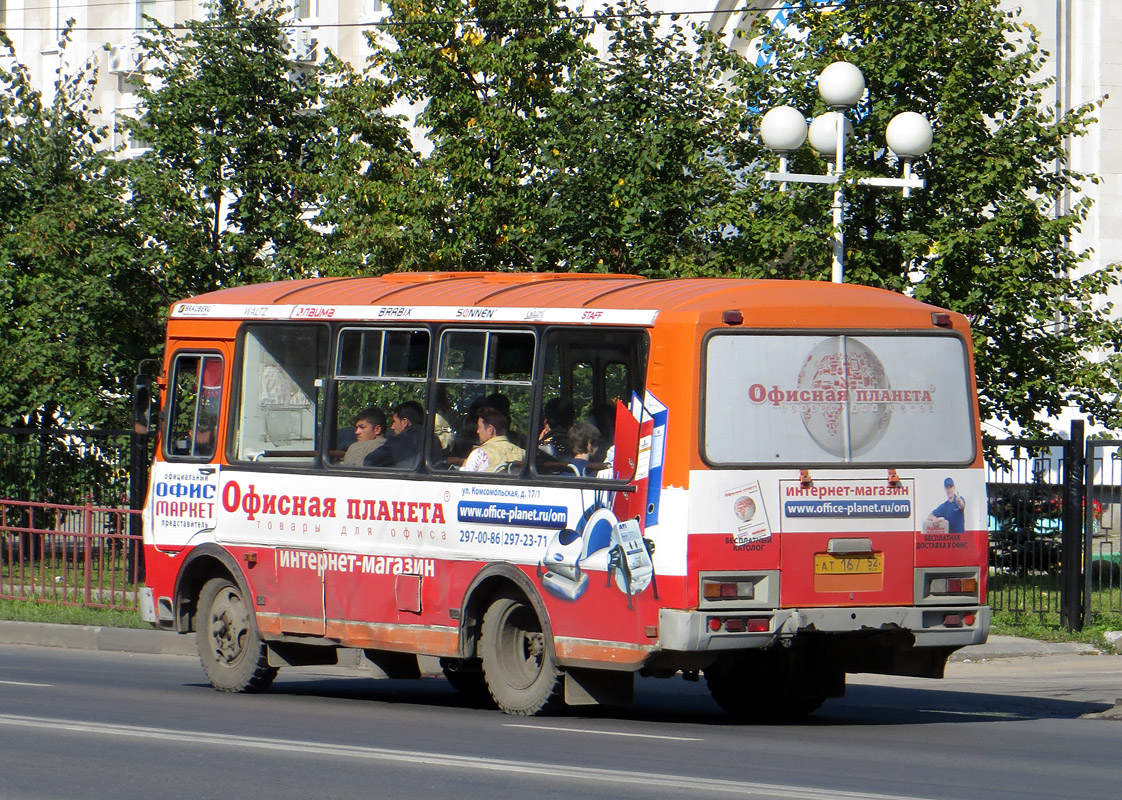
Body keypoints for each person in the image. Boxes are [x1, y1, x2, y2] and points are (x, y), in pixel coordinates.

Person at [459, 406, 526, 473]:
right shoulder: (523, 454)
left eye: (479, 427)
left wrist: (464, 466)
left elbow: (463, 481)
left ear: (490, 429)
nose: (477, 431)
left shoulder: (479, 454)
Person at [364, 401, 425, 469]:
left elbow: (369, 462)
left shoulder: (400, 441)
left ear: (405, 422)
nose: (392, 427)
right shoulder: (433, 439)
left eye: (394, 422)